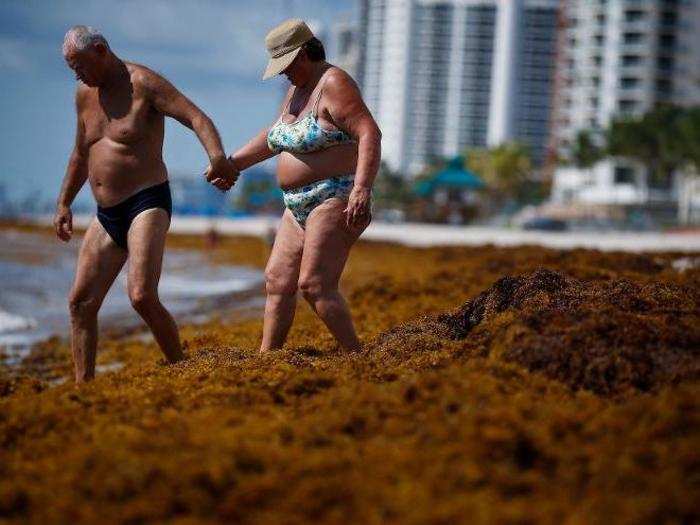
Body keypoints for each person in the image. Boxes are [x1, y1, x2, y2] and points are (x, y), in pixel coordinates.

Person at [55, 26, 238, 383]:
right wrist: (64, 202)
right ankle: (83, 388)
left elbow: (196, 116)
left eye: (80, 65)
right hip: (106, 213)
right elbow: (81, 153)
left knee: (140, 295)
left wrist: (217, 157)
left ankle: (181, 367)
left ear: (101, 50)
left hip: (146, 202)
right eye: (71, 69)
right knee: (80, 303)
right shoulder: (84, 94)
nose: (78, 75)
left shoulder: (144, 84)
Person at [214, 19, 381, 352]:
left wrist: (362, 187)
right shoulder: (295, 89)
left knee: (315, 285)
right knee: (277, 281)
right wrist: (233, 164)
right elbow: (275, 138)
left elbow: (369, 133)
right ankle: (267, 359)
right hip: (296, 202)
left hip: (335, 195)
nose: (282, 73)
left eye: (286, 65)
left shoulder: (334, 83)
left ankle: (357, 356)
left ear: (305, 54)